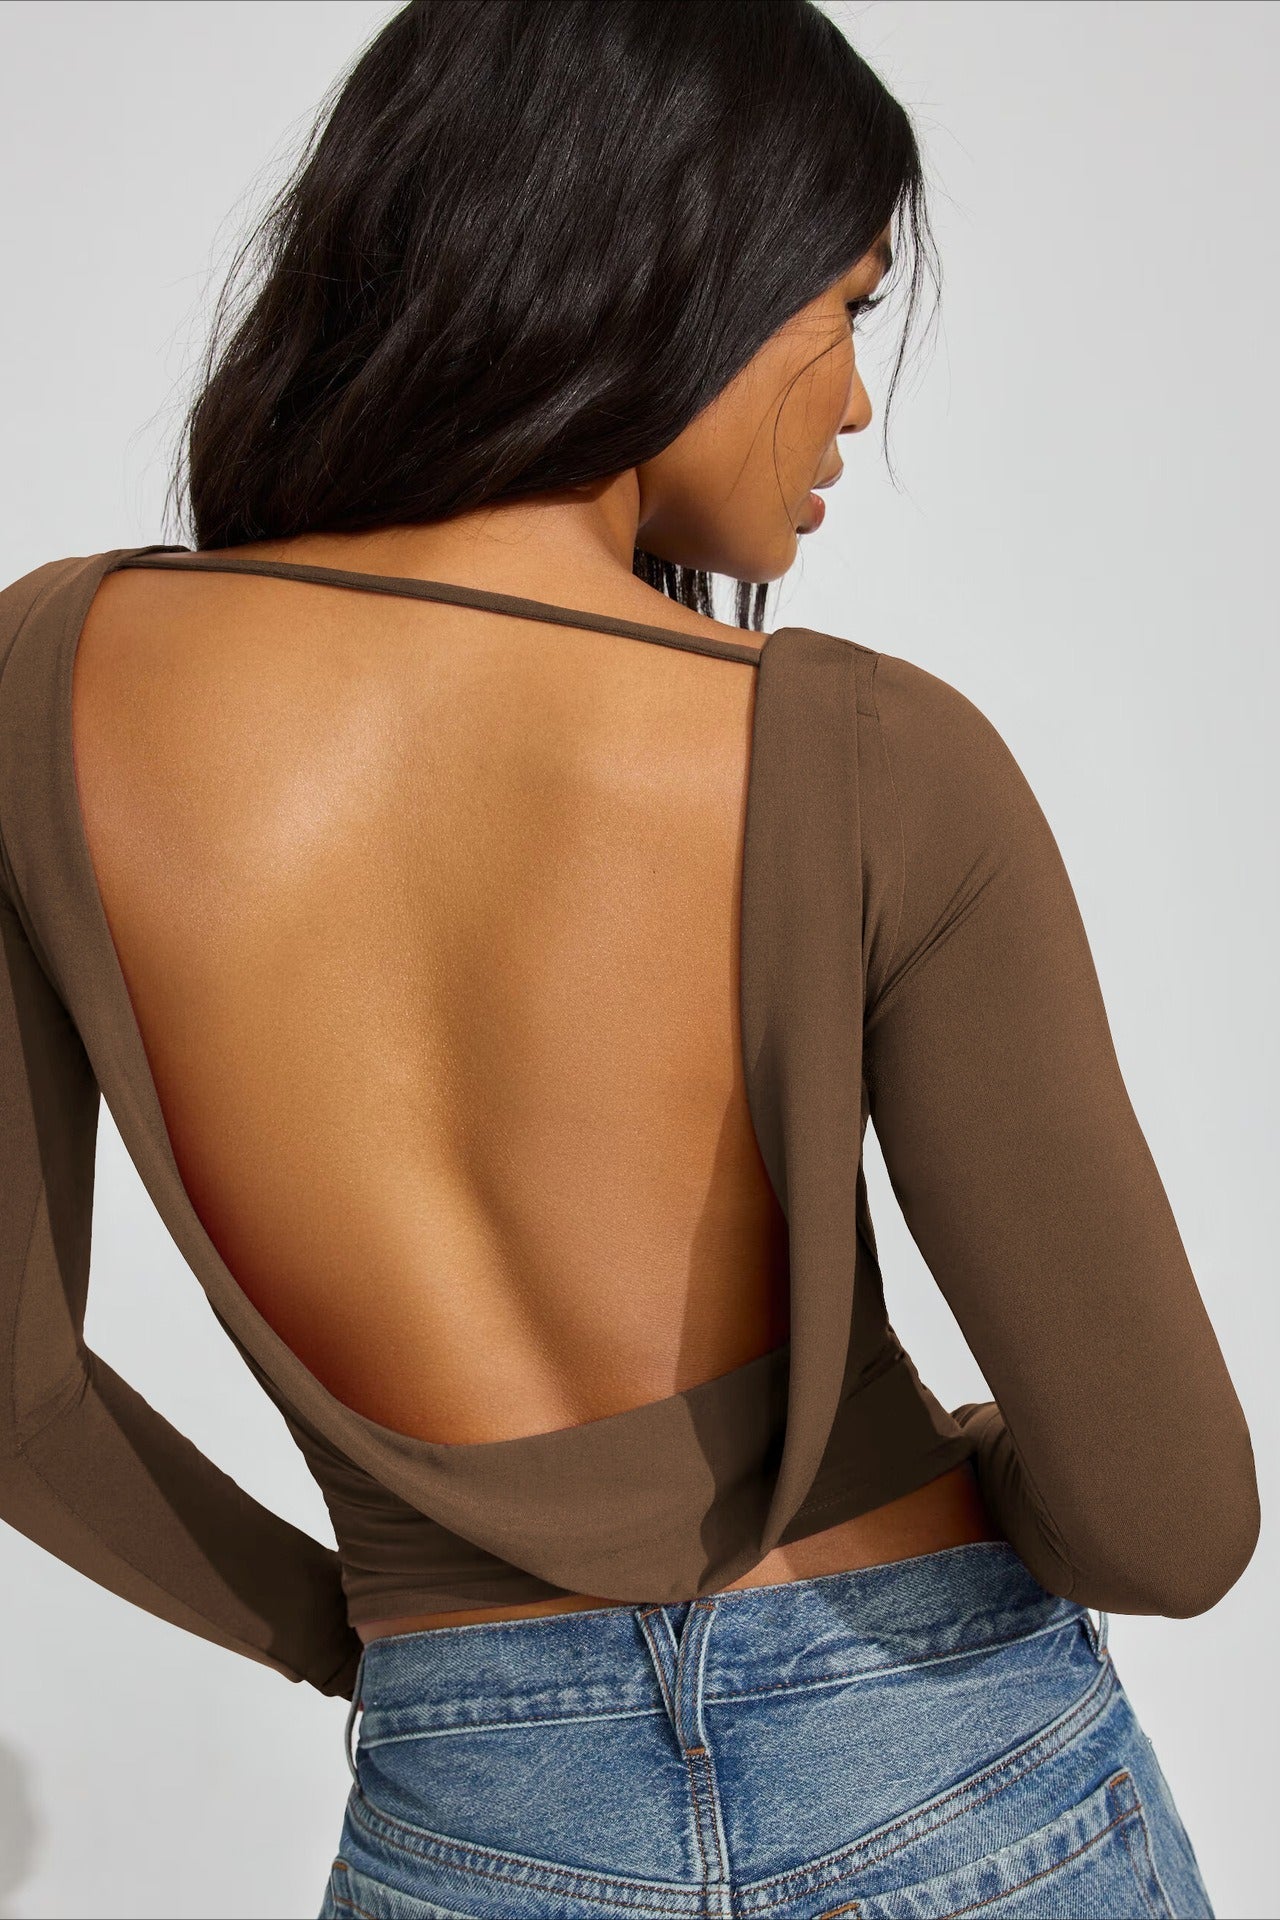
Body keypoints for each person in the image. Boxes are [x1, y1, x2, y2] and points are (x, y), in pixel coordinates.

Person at [0, 3, 1256, 1915]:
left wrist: (383, 1644)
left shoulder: (44, 690)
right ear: (675, 260)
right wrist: (981, 1461)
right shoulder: (871, 757)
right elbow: (1169, 1527)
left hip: (467, 1807)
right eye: (845, 307)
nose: (856, 401)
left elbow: (13, 1395)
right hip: (953, 1779)